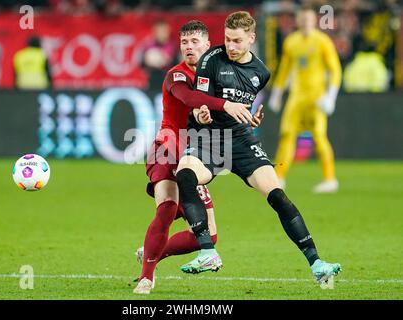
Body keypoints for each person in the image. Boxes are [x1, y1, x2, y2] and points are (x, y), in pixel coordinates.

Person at [175, 11, 341, 287]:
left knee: (277, 195)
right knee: (185, 175)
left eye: (237, 41)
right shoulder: (210, 60)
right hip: (211, 139)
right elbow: (200, 102)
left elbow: (243, 104)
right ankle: (207, 252)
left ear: (251, 38)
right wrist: (200, 114)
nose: (230, 46)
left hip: (242, 141)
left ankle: (317, 263)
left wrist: (251, 118)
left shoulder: (261, 73)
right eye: (227, 39)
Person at [134, 20, 261, 294]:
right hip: (167, 149)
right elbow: (189, 99)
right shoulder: (176, 75)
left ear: (207, 45)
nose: (188, 48)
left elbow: (218, 112)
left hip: (196, 156)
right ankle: (147, 276)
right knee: (167, 208)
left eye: (194, 43)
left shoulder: (217, 76)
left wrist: (245, 118)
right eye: (184, 43)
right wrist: (226, 104)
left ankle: (151, 252)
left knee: (206, 236)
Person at [268, 5, 342, 193]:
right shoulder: (291, 42)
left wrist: (330, 96)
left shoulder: (323, 41)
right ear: (298, 22)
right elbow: (285, 69)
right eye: (302, 20)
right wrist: (277, 93)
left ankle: (330, 179)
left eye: (308, 20)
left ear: (314, 21)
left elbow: (335, 70)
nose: (305, 23)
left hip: (317, 97)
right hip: (297, 96)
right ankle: (280, 177)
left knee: (319, 136)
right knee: (286, 134)